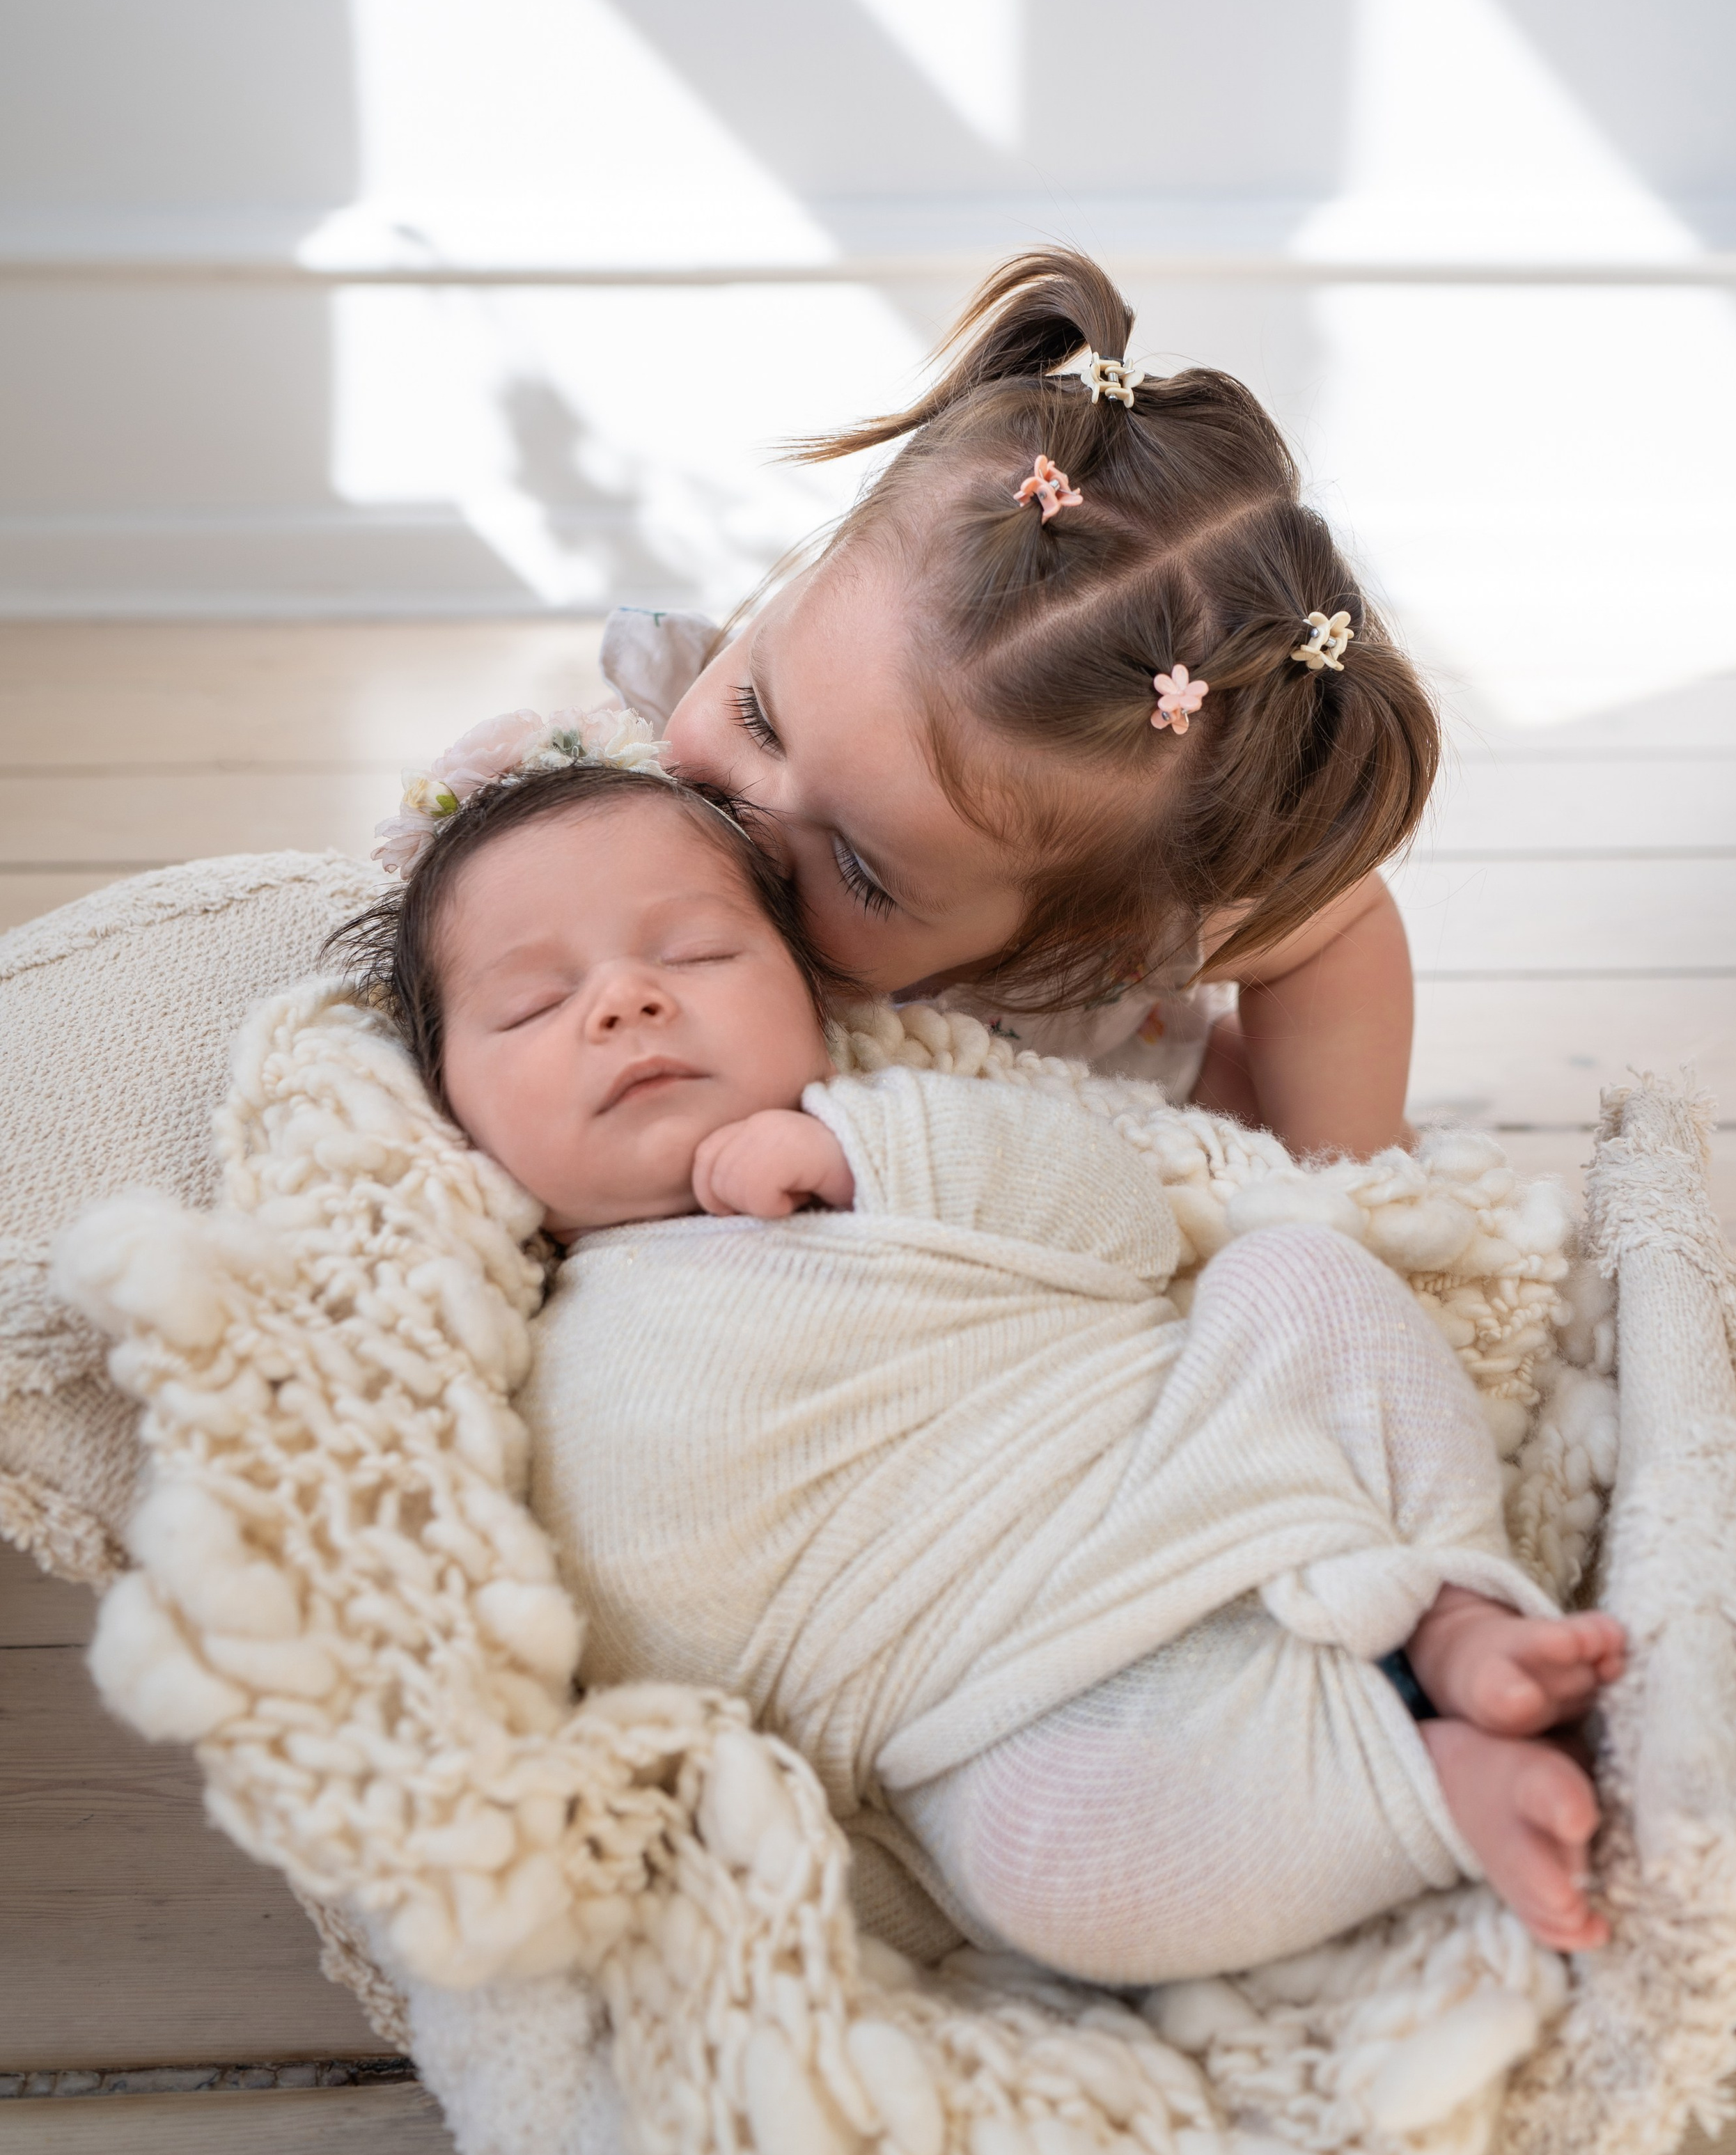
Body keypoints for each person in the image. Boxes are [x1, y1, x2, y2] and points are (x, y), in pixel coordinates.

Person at [332, 726, 1622, 1979]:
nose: (628, 1000)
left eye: (697, 950)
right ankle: (1427, 1787)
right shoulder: (531, 1349)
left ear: (812, 992)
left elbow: (1119, 1229)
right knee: (1043, 1869)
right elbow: (628, 1651)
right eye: (537, 1003)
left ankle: (1451, 1607)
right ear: (444, 1099)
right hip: (1003, 1691)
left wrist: (873, 1156)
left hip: (1192, 1460)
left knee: (1303, 1277)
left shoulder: (905, 1131)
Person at [602, 246, 1441, 1162]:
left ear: (1085, 946)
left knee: (1240, 1139)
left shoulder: (1109, 954)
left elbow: (1337, 928)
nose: (750, 819)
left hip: (1067, 1138)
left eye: (859, 870)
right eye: (758, 713)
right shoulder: (625, 773)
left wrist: (1340, 1183)